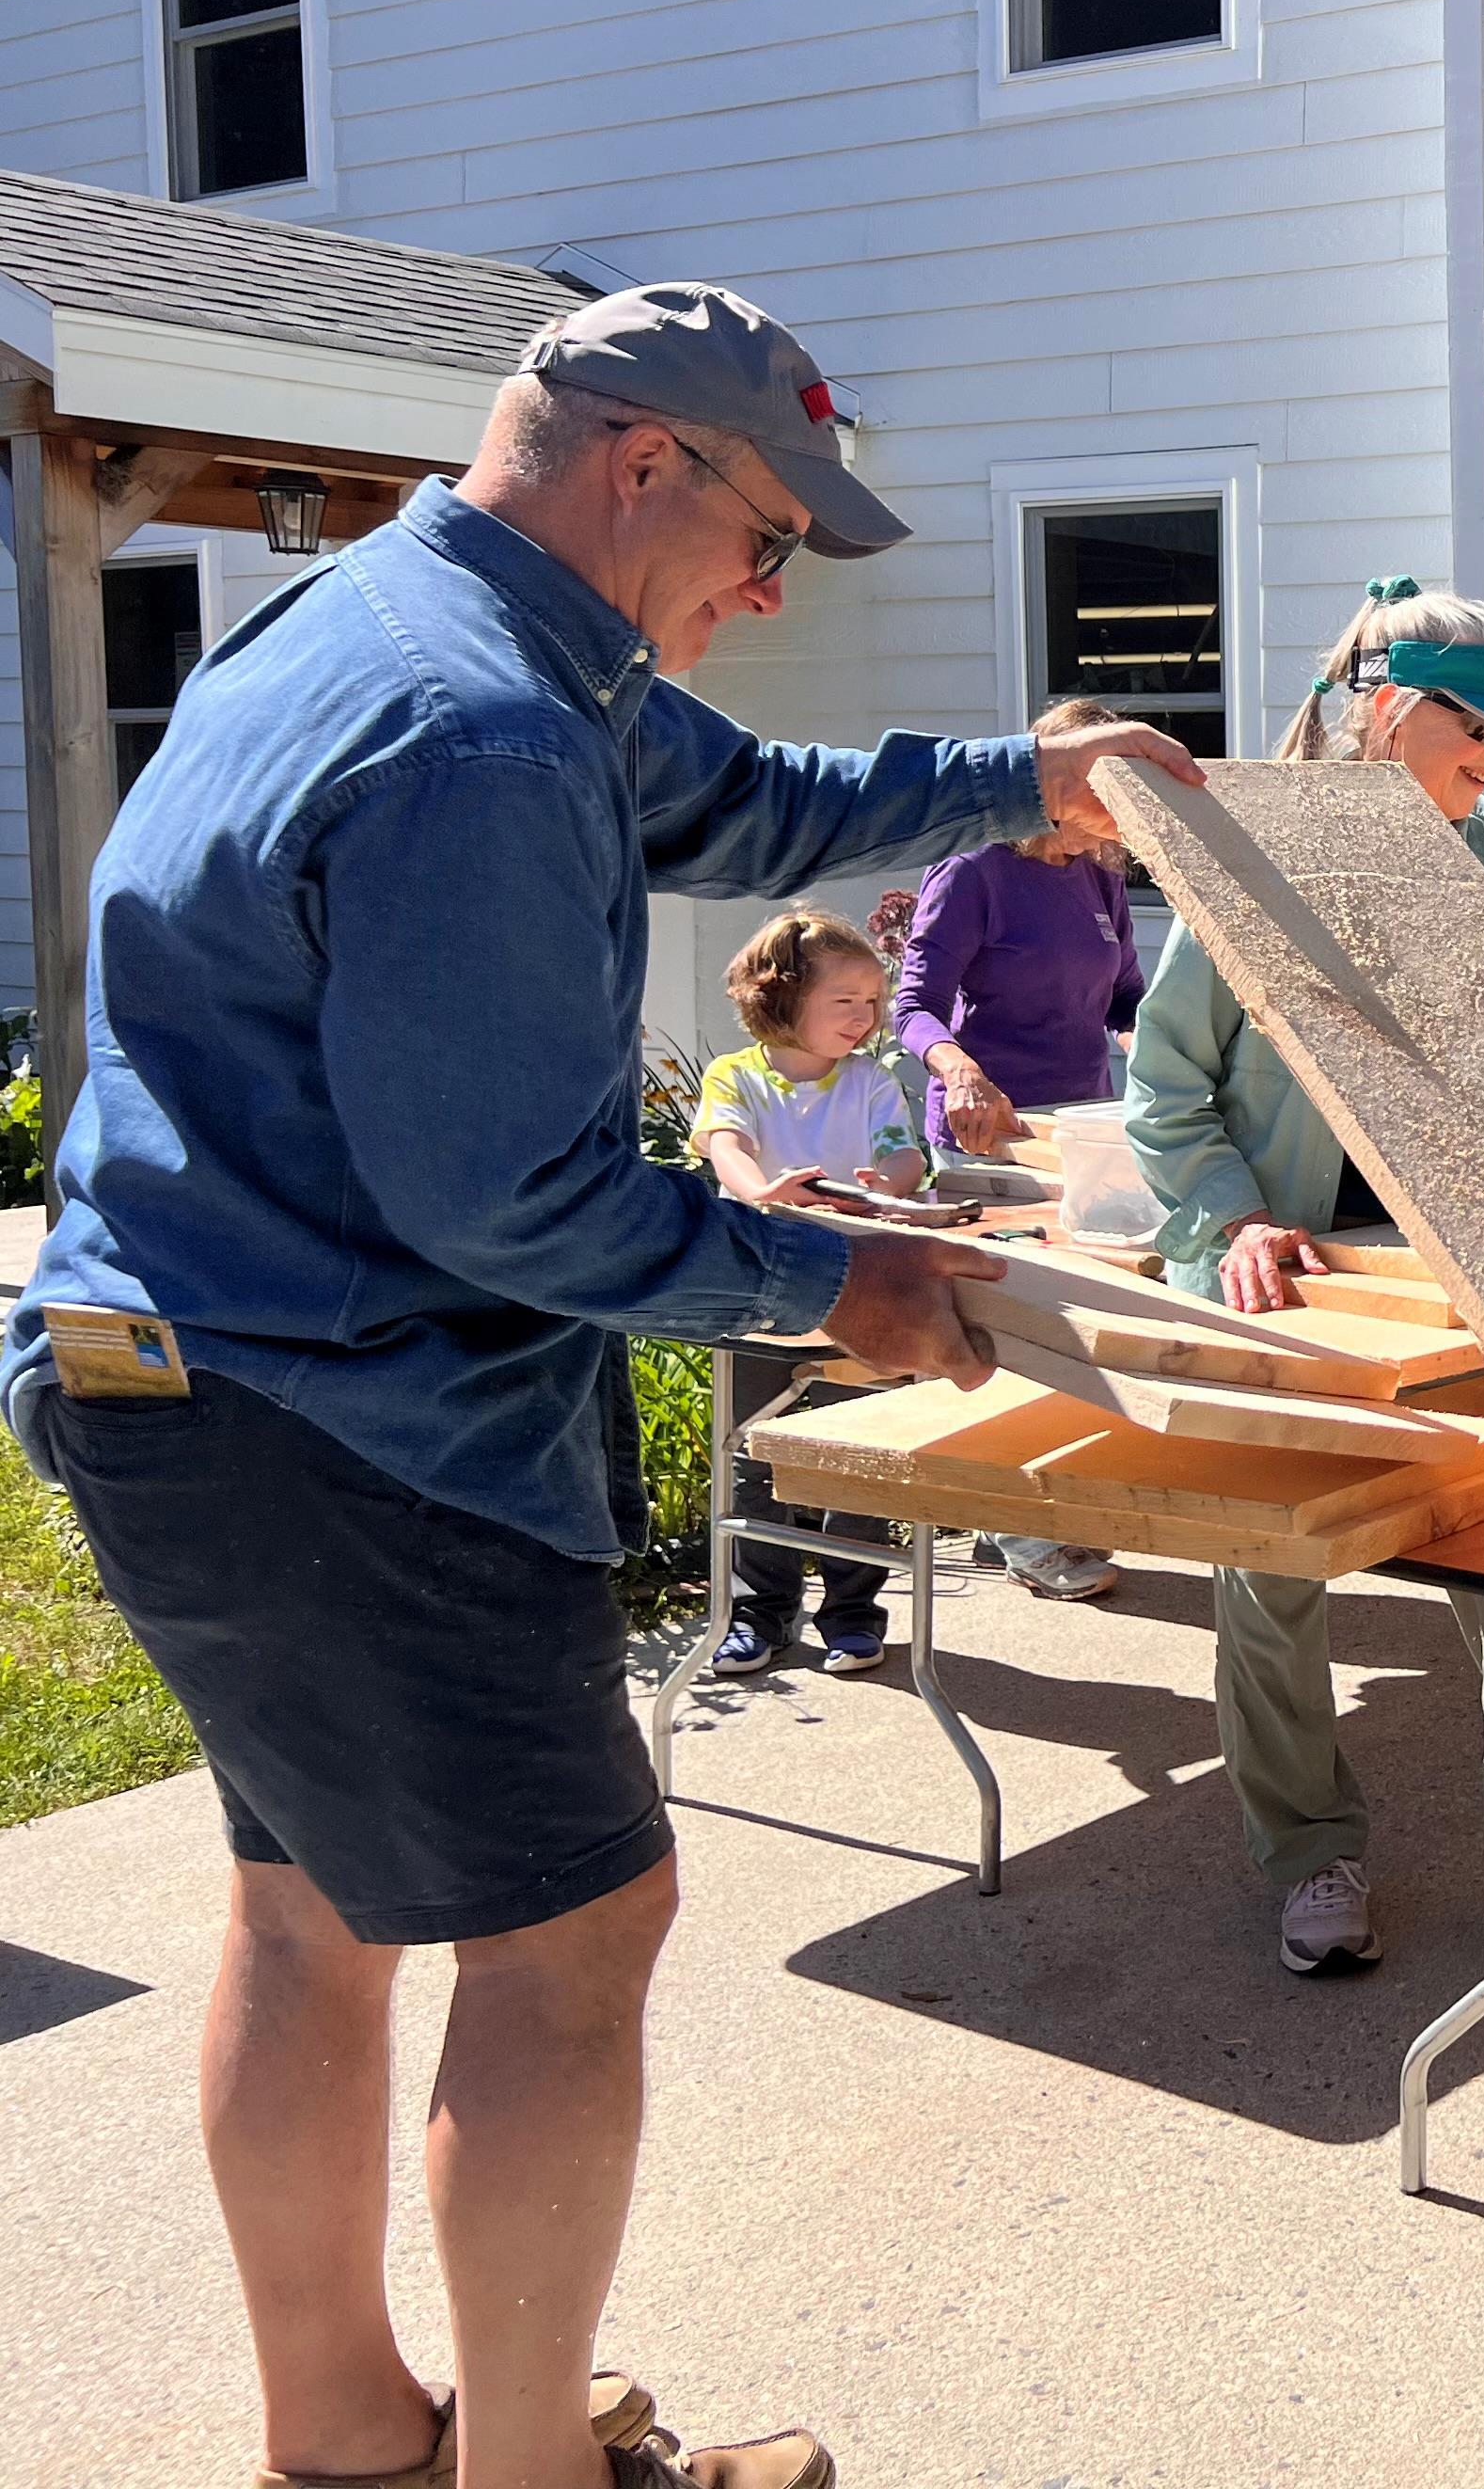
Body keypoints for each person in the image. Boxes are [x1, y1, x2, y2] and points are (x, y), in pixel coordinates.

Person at [0, 279, 1204, 2489]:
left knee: (308, 1908)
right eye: (767, 535)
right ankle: (534, 2471)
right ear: (646, 462)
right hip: (350, 1418)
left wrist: (1020, 785)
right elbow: (513, 1206)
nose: (768, 586)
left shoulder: (374, 630)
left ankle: (351, 2441)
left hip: (159, 1372)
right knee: (574, 1937)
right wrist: (842, 1285)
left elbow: (748, 799)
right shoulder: (482, 733)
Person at [1125, 582, 1484, 1985]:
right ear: (1386, 711)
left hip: (1477, 1266)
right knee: (1273, 1580)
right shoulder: (1248, 855)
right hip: (1291, 1277)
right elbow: (1167, 1088)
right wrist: (1230, 1214)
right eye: (1480, 727)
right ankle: (1310, 1855)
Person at [892, 696, 1148, 1602]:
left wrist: (1160, 1048)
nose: (1112, 821)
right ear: (1059, 782)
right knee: (1011, 1328)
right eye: (1104, 795)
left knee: (1077, 1323)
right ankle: (1021, 1528)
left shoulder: (1100, 878)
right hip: (985, 1136)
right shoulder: (974, 870)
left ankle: (1046, 1505)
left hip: (1076, 1136)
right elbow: (912, 1006)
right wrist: (959, 1070)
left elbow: (1124, 1000)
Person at [690, 907, 923, 1678]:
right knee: (754, 1457)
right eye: (844, 1001)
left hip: (862, 1286)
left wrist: (883, 1189)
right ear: (782, 999)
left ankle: (854, 1613)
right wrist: (765, 1194)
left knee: (865, 1456)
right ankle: (758, 1614)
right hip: (759, 1291)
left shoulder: (873, 1081)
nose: (865, 1017)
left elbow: (903, 1159)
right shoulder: (736, 1077)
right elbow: (727, 1148)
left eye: (873, 1001)